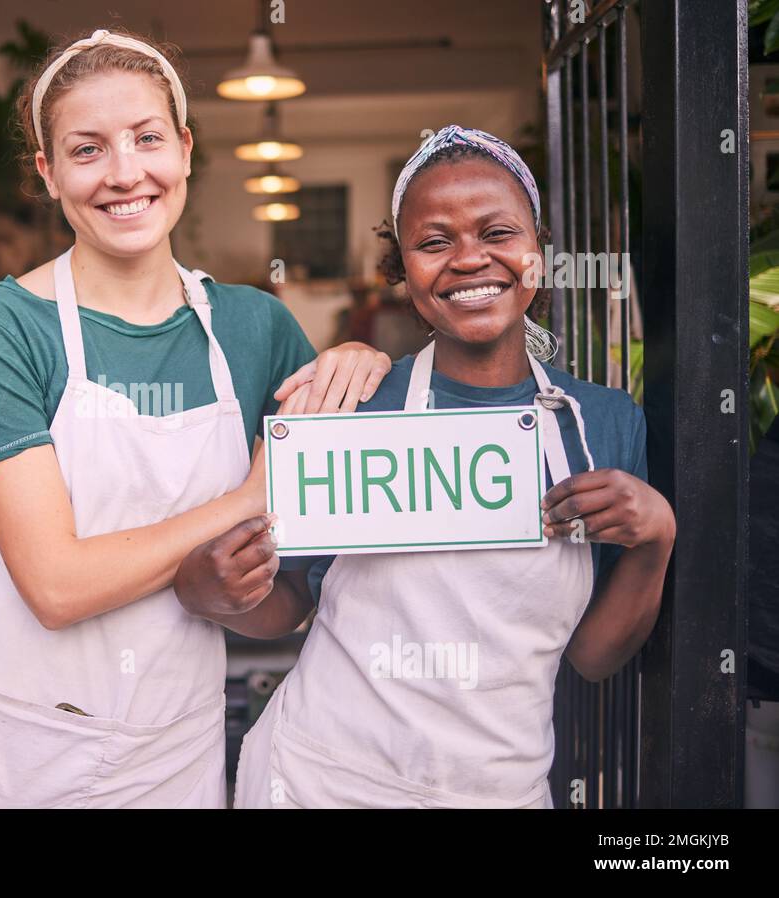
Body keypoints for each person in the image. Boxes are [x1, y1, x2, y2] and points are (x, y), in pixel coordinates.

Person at [0, 27, 391, 808]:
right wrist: (245, 500)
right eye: (87, 149)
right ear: (49, 173)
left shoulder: (256, 329)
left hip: (172, 728)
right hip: (11, 732)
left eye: (147, 138)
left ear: (187, 149)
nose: (125, 173)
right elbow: (55, 585)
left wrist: (362, 363)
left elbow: (318, 547)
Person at [175, 125, 675, 808]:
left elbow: (594, 657)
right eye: (435, 242)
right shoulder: (352, 406)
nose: (469, 260)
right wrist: (217, 595)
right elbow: (288, 601)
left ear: (538, 255)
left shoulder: (603, 425)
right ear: (405, 273)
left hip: (501, 791)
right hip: (323, 782)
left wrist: (655, 539)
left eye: (497, 234)